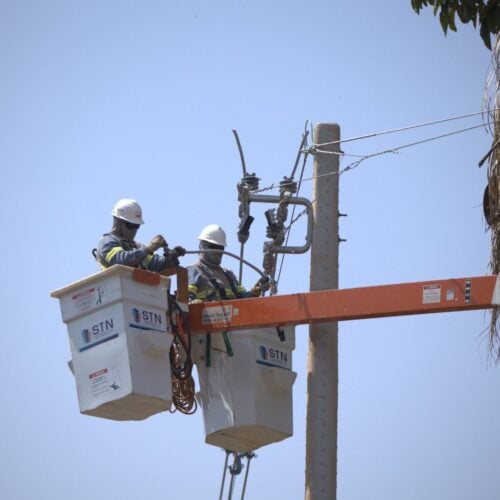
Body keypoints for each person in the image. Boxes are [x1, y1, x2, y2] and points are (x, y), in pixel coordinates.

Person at [95, 198, 185, 272]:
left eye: (137, 226)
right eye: (132, 226)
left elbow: (157, 265)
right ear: (118, 223)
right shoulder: (107, 242)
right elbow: (120, 260)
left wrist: (172, 256)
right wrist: (149, 249)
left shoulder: (137, 247)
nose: (134, 230)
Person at [187, 224, 269, 302]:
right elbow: (186, 297)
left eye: (221, 248)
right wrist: (193, 303)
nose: (218, 251)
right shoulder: (194, 270)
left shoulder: (228, 275)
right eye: (213, 247)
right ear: (201, 247)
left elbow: (242, 299)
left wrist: (253, 293)